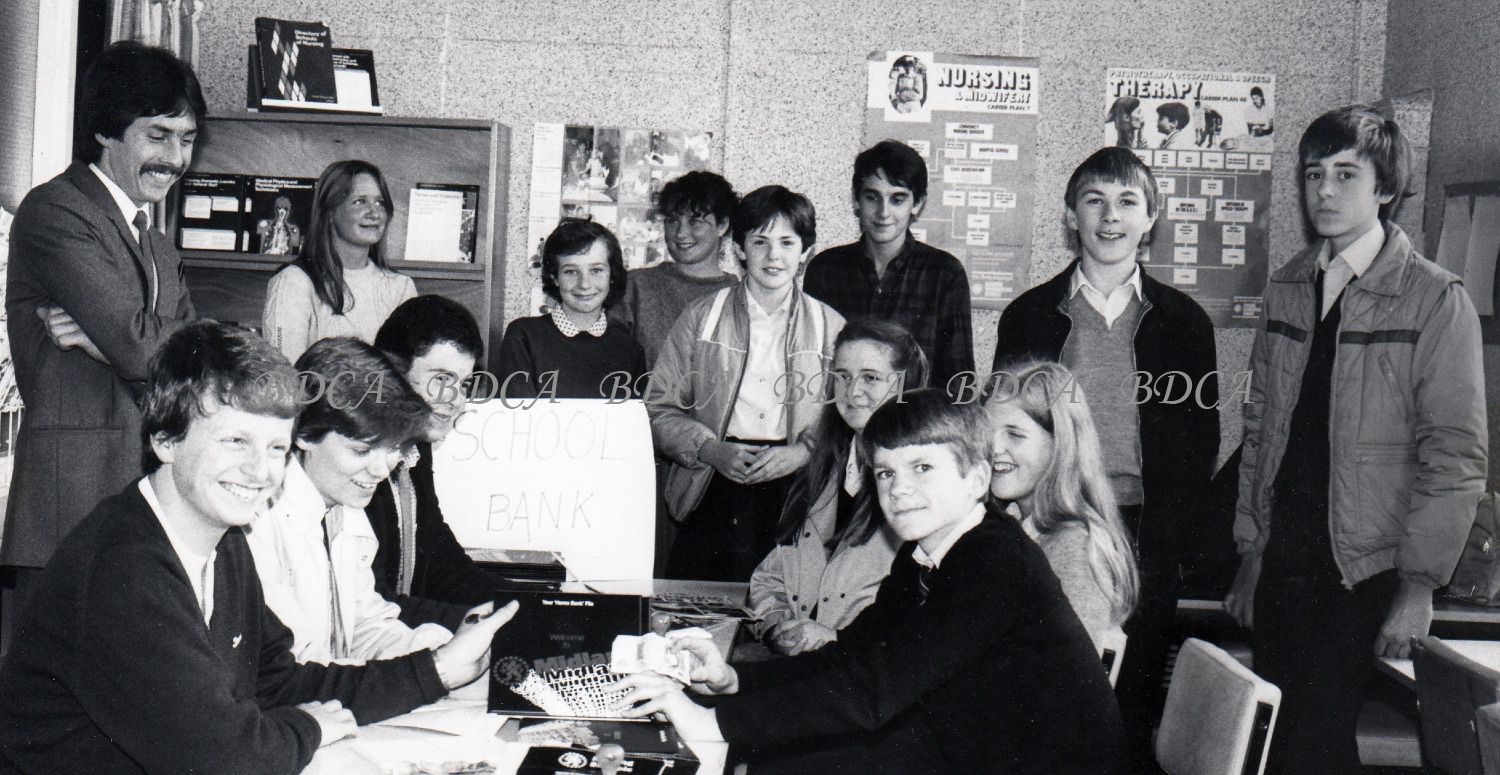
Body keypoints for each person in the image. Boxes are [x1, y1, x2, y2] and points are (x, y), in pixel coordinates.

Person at [0, 321, 515, 774]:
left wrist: (437, 670)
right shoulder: (125, 568)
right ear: (165, 440)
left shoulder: (222, 543)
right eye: (235, 441)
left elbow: (280, 683)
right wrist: (309, 728)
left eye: (275, 448)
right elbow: (224, 758)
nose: (260, 471)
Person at [615, 390, 1128, 774]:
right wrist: (735, 680)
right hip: (971, 741)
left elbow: (874, 692)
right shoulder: (924, 551)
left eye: (922, 467)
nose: (899, 489)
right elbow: (852, 654)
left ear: (977, 478)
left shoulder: (995, 559)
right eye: (885, 473)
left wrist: (715, 724)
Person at [1224, 104, 1486, 773]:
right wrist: (1253, 552)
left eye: (1346, 174)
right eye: (1315, 173)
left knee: (1312, 745)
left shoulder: (1434, 297)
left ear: (1386, 188)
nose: (1325, 190)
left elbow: (1454, 456)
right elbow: (1262, 431)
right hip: (1285, 563)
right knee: (1277, 744)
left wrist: (1419, 587)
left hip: (1366, 571)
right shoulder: (1288, 286)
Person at [992, 145, 1218, 765]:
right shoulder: (1029, 316)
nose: (1110, 216)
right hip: (1056, 523)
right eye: (1094, 201)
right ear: (1072, 216)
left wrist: (1174, 542)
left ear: (1151, 218)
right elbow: (1004, 431)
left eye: (1126, 202)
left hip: (1145, 533)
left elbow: (1201, 441)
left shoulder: (1185, 322)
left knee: (1132, 702)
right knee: (1049, 695)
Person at [1, 41, 201, 654]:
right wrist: (128, 342)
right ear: (105, 133)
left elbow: (200, 362)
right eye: (157, 136)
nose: (175, 158)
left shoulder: (158, 244)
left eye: (187, 139)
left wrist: (108, 339)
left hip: (145, 507)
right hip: (68, 512)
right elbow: (145, 352)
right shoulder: (57, 210)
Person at [648, 185, 845, 582]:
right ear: (739, 248)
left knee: (781, 604)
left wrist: (804, 452)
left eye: (787, 243)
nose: (774, 256)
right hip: (716, 478)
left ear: (806, 252)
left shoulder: (830, 326)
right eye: (760, 242)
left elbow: (847, 417)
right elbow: (659, 407)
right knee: (701, 603)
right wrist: (708, 449)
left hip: (796, 488)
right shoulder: (702, 316)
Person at [246, 337, 452, 664]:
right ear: (304, 433)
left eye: (393, 448)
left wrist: (437, 646)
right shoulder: (256, 523)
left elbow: (365, 629)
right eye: (361, 450)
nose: (381, 470)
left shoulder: (345, 506)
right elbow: (299, 665)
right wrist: (429, 669)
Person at [747, 318, 927, 655]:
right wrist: (776, 626)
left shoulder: (922, 490)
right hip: (802, 668)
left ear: (905, 386)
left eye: (870, 377)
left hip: (867, 670)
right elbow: (770, 578)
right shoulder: (822, 471)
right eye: (842, 377)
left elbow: (925, 619)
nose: (853, 391)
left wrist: (835, 640)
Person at [368, 294, 509, 629]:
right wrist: (477, 620)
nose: (455, 400)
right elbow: (373, 604)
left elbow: (442, 562)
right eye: (441, 380)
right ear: (393, 375)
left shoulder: (417, 448)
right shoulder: (361, 462)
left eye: (464, 384)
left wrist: (526, 603)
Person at [983, 361, 1139, 650]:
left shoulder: (1074, 547)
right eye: (986, 432)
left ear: (1060, 445)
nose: (993, 448)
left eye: (1014, 434)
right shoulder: (1012, 523)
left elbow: (1070, 671)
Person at [803, 140, 975, 391]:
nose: (883, 212)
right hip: (844, 410)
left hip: (913, 415)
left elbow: (959, 381)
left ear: (917, 204)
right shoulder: (825, 270)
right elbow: (812, 366)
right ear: (856, 200)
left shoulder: (945, 273)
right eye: (872, 197)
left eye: (897, 199)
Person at [262, 159, 417, 362]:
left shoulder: (401, 288)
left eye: (380, 202)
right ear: (330, 212)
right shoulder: (293, 282)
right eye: (360, 201)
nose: (375, 213)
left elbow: (408, 372)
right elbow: (284, 374)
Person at [496, 218, 647, 398]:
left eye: (596, 270)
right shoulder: (523, 336)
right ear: (554, 277)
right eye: (571, 272)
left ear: (612, 276)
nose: (584, 284)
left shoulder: (630, 349)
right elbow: (519, 411)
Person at [609, 171, 740, 367]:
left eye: (695, 222)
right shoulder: (636, 287)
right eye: (673, 220)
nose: (681, 233)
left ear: (722, 226)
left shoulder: (739, 296)